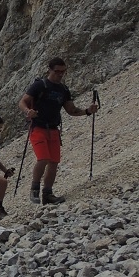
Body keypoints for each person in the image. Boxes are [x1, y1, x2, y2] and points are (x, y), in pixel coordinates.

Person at [18, 57, 99, 204]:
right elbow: (22, 101)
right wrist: (28, 111)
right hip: (38, 127)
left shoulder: (64, 90)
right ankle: (34, 190)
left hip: (53, 129)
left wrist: (87, 111)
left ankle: (47, 194)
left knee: (54, 162)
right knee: (43, 159)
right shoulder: (39, 85)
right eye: (57, 71)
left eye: (63, 72)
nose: (60, 74)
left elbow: (71, 110)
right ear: (49, 70)